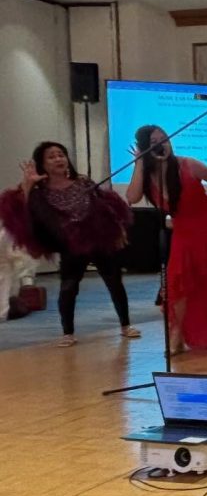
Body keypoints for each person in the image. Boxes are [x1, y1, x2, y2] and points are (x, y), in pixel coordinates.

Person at [0, 142, 139, 346]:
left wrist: (117, 230)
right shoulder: (39, 192)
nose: (58, 159)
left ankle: (125, 325)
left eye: (61, 154)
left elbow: (106, 207)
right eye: (52, 157)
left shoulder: (83, 182)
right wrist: (28, 185)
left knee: (114, 282)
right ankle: (67, 333)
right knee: (68, 287)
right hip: (70, 244)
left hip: (98, 239)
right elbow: (25, 216)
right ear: (43, 164)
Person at [126, 126, 207, 352]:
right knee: (179, 282)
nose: (162, 144)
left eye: (164, 139)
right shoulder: (147, 176)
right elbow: (132, 196)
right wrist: (139, 163)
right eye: (154, 142)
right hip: (183, 230)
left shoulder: (187, 164)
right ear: (145, 148)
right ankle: (177, 331)